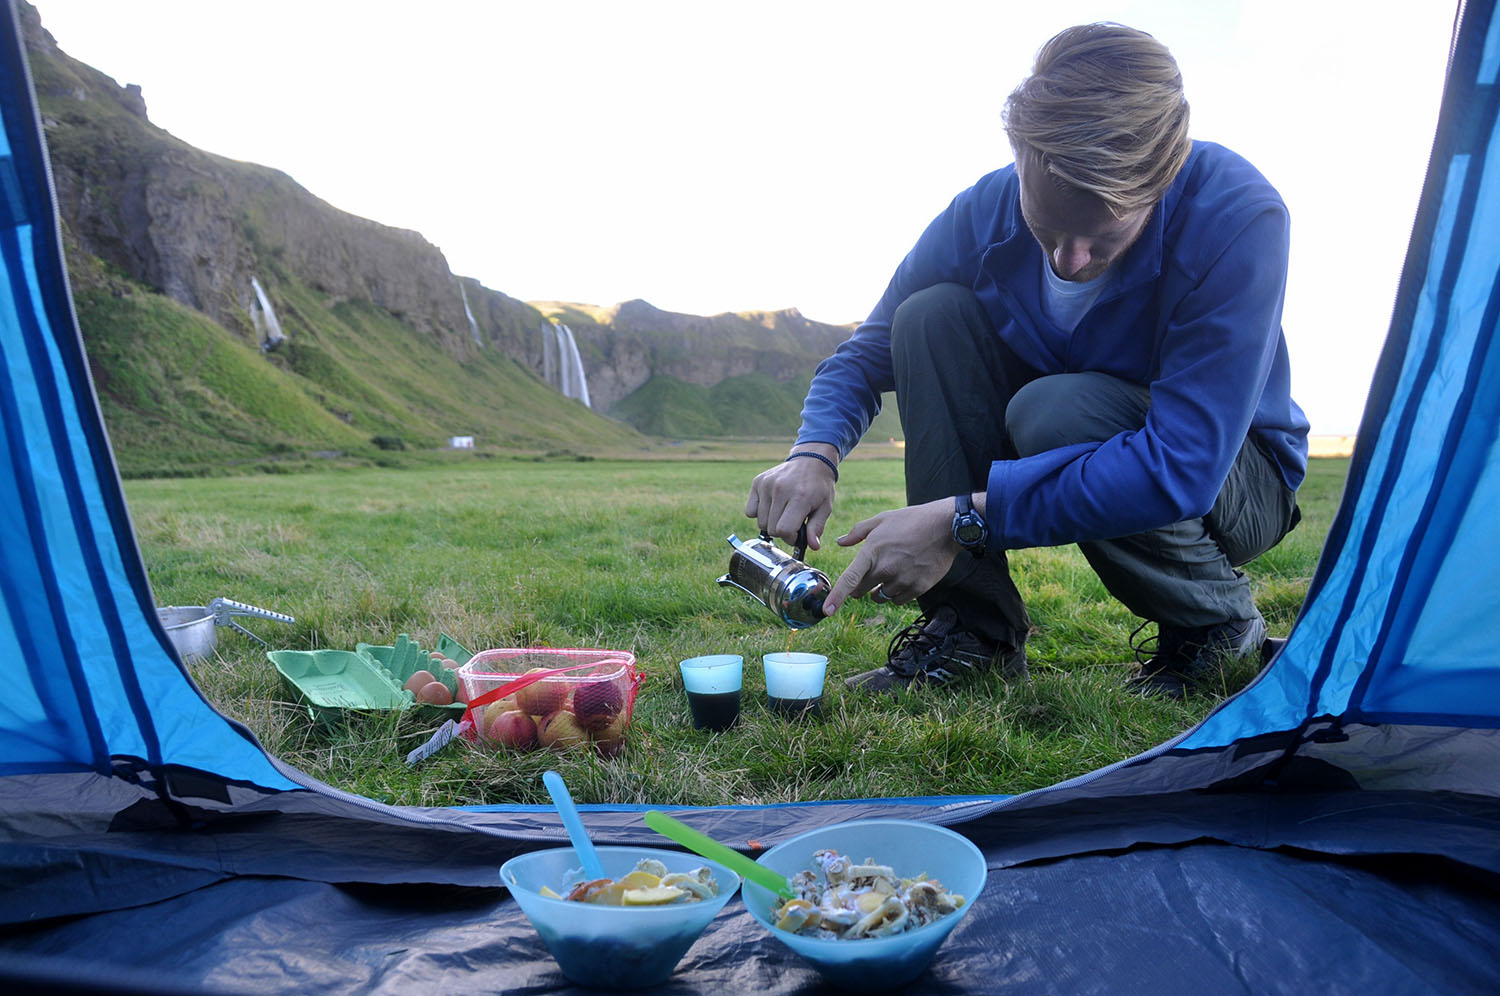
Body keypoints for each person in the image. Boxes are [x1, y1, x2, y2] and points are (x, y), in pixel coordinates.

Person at [743, 22, 1307, 698]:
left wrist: (963, 515)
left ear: (1162, 181)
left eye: (1102, 237)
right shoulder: (981, 211)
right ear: (1020, 158)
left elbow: (1181, 468)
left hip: (1235, 484)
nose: (1068, 261)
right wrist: (815, 453)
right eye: (1048, 228)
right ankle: (973, 633)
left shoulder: (1236, 215)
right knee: (928, 319)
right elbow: (870, 347)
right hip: (1077, 444)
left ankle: (1213, 627)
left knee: (1055, 410)